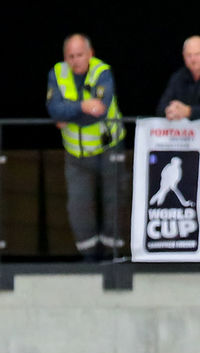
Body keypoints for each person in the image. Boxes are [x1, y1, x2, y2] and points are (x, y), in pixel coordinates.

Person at [46, 33, 126, 261]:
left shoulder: (102, 72)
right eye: (70, 56)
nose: (75, 61)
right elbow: (54, 110)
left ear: (90, 54)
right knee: (78, 206)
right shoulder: (57, 73)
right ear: (65, 57)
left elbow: (99, 112)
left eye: (80, 55)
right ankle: (89, 258)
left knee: (114, 201)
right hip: (76, 155)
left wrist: (68, 113)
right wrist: (82, 106)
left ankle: (112, 255)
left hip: (109, 149)